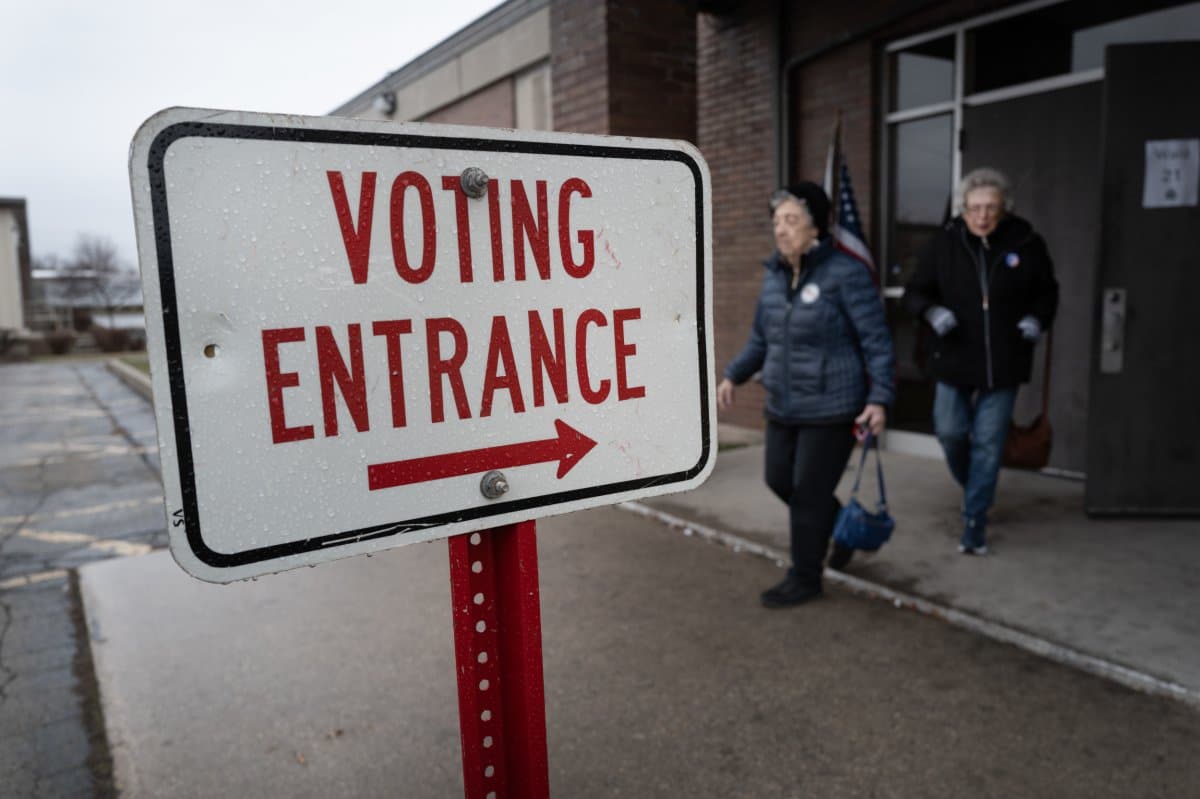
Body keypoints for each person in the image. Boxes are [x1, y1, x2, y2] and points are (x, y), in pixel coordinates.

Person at [718, 182, 894, 608]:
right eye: (777, 221)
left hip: (832, 404)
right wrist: (732, 376)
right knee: (780, 480)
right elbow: (762, 339)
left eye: (792, 220)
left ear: (816, 227)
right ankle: (841, 530)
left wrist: (880, 397)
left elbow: (876, 340)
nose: (781, 230)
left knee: (808, 494)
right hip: (783, 402)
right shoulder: (775, 275)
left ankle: (805, 576)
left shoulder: (846, 274)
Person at [903, 167, 1058, 555]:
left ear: (1004, 208)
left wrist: (1036, 319)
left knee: (989, 443)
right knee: (951, 432)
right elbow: (914, 293)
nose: (983, 216)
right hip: (953, 356)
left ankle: (975, 518)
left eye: (991, 207)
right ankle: (976, 488)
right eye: (975, 208)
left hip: (1003, 361)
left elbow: (1047, 293)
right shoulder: (943, 243)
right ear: (963, 209)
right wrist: (931, 312)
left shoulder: (1026, 242)